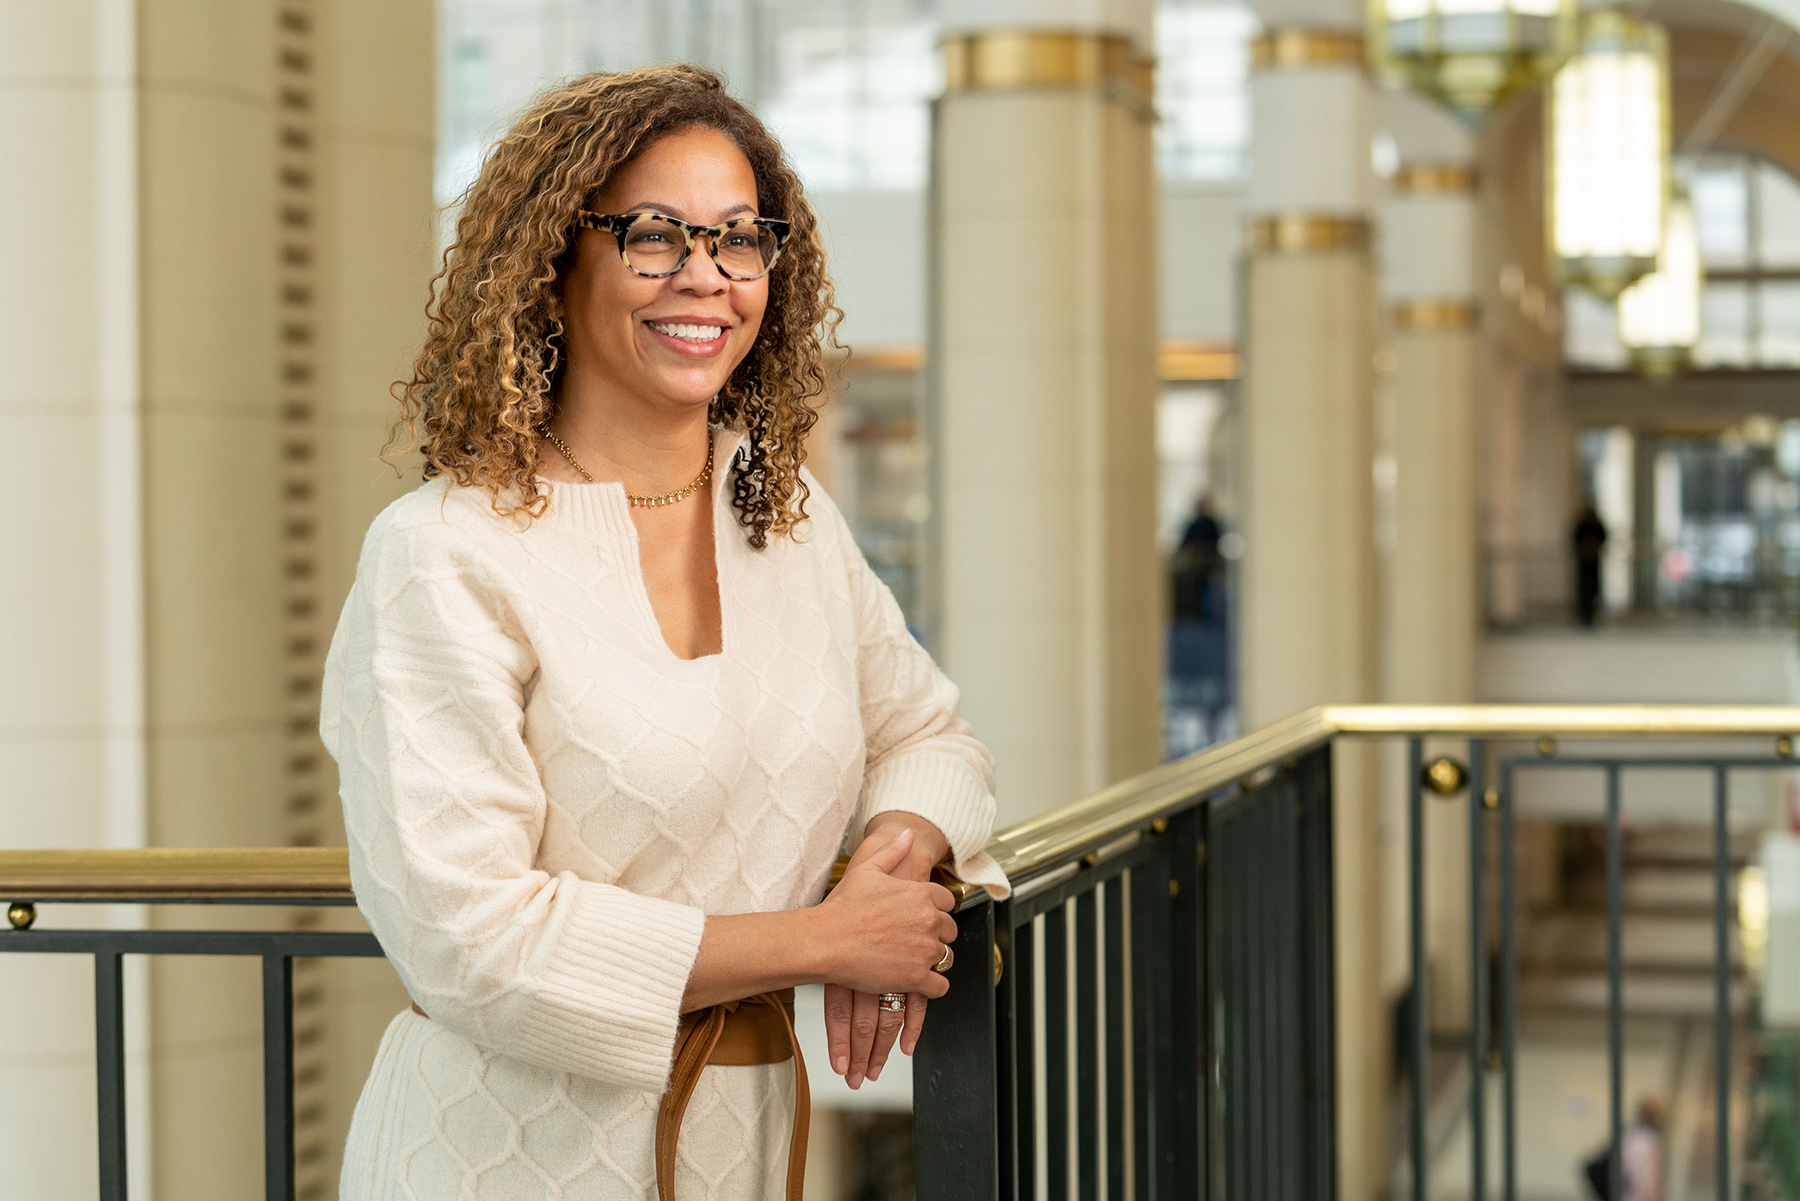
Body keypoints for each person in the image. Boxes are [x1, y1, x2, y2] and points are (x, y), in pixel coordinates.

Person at [320, 65, 1007, 1201]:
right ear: (552, 261)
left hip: (741, 1147)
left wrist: (898, 856)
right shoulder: (442, 552)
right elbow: (471, 939)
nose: (708, 278)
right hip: (498, 1159)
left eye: (742, 239)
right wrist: (827, 941)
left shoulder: (784, 515)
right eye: (654, 235)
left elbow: (935, 737)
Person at [1573, 503, 1608, 627]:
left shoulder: (1597, 525)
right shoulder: (1582, 525)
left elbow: (1604, 538)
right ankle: (1584, 616)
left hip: (1594, 561)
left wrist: (1594, 547)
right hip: (1584, 562)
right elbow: (1575, 540)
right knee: (1584, 589)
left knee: (1594, 588)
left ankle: (1592, 615)